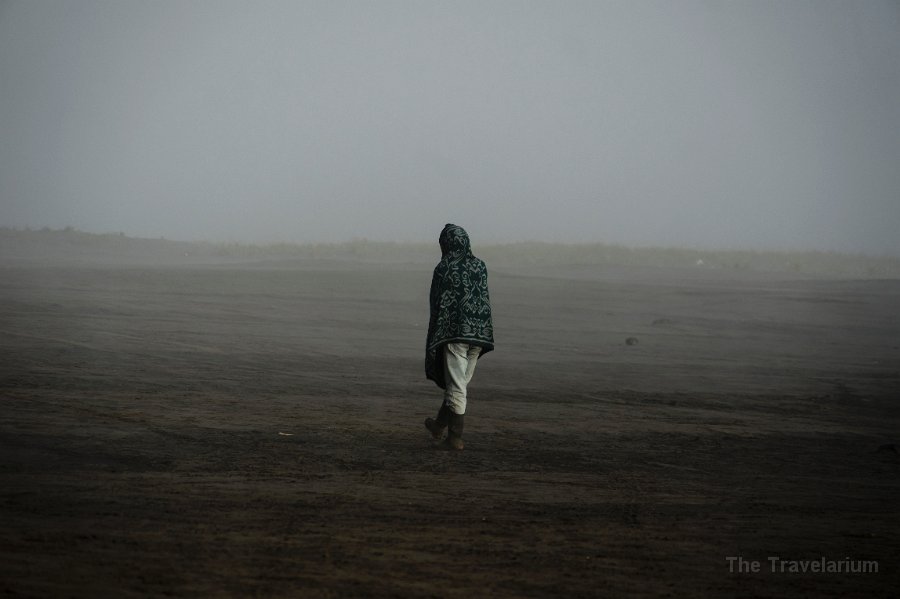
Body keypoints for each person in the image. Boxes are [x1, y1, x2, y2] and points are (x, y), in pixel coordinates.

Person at [424, 224, 494, 450]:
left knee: (457, 387)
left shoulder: (444, 268)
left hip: (454, 335)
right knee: (459, 383)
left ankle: (455, 438)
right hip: (479, 335)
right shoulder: (480, 266)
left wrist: (437, 332)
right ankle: (438, 426)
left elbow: (438, 303)